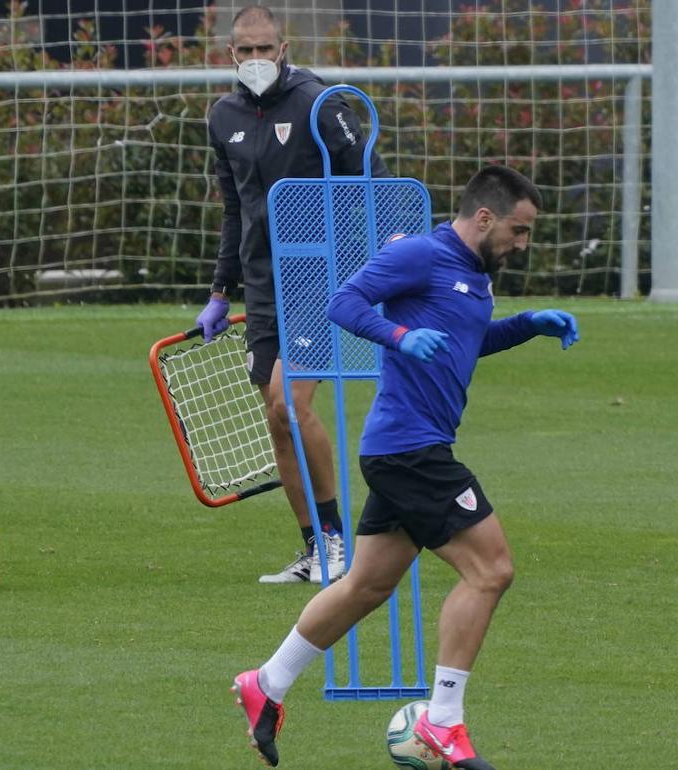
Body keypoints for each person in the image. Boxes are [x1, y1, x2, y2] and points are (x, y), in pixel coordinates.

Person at [231, 165, 579, 768]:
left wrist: (527, 326)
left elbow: (461, 340)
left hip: (406, 450)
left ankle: (267, 683)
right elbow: (343, 302)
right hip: (410, 451)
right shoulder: (422, 253)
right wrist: (396, 335)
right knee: (491, 571)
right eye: (519, 232)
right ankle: (443, 721)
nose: (522, 245)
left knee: (366, 586)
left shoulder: (475, 272)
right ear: (485, 218)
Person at [197, 5, 390, 584]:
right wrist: (218, 290)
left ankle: (338, 544)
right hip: (262, 283)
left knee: (290, 403)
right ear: (230, 54)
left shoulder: (320, 103)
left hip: (319, 277)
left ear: (283, 49)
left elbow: (375, 181)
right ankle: (314, 549)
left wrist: (371, 261)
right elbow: (236, 210)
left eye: (265, 48)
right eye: (244, 50)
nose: (255, 59)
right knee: (276, 422)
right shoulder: (222, 115)